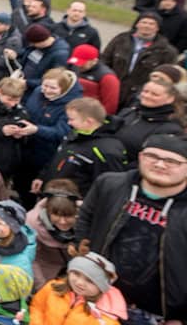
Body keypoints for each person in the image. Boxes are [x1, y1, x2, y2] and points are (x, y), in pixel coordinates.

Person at [76, 134, 187, 324]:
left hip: (156, 313)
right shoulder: (110, 183)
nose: (160, 165)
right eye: (153, 156)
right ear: (141, 157)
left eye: (171, 161)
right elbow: (86, 217)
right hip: (100, 297)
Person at [14, 68, 83, 207]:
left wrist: (36, 130)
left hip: (45, 155)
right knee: (19, 180)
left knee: (32, 188)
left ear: (63, 89)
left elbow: (62, 132)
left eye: (53, 88)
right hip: (25, 145)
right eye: (45, 85)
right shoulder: (37, 91)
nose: (46, 90)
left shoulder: (71, 106)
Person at [31, 98, 126, 196]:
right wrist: (42, 177)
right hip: (53, 193)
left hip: (72, 204)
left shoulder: (107, 151)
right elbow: (59, 155)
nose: (69, 123)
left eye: (72, 119)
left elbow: (107, 188)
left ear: (89, 122)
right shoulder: (76, 133)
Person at [101, 11, 178, 108]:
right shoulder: (120, 40)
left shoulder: (167, 51)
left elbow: (167, 79)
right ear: (137, 24)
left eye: (151, 24)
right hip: (113, 90)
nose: (147, 26)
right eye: (144, 22)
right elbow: (104, 61)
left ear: (157, 28)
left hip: (142, 97)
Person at [28, 251, 128, 325]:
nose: (79, 282)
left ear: (101, 288)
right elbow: (37, 307)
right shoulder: (53, 287)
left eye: (90, 281)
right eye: (76, 273)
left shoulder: (105, 316)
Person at [111, 74, 186, 161]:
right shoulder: (129, 112)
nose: (147, 96)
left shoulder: (169, 128)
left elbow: (152, 159)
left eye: (154, 94)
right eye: (145, 91)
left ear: (170, 99)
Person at [25, 179, 80, 290]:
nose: (62, 221)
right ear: (47, 210)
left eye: (68, 215)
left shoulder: (87, 219)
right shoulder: (32, 222)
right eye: (56, 215)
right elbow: (31, 259)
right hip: (44, 273)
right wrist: (42, 287)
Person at [17, 23, 71, 97]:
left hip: (35, 90)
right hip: (22, 82)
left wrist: (27, 83)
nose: (32, 45)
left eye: (33, 43)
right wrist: (15, 54)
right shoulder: (37, 46)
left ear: (41, 41)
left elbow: (55, 79)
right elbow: (27, 51)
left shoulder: (60, 55)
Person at [67, 44, 120, 115]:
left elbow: (110, 105)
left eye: (82, 63)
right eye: (77, 62)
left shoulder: (108, 78)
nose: (78, 65)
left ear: (94, 61)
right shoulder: (75, 67)